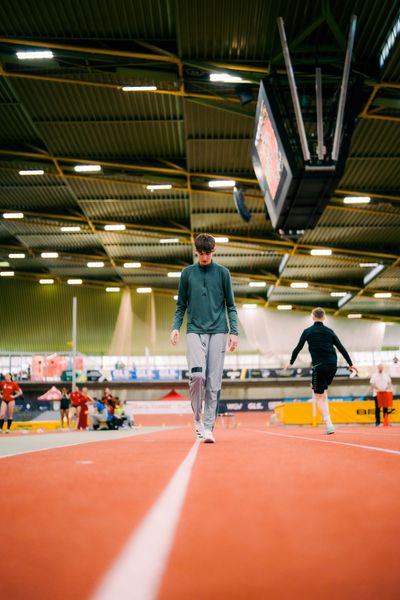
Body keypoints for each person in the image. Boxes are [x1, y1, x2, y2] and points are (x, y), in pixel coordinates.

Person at [170, 233, 238, 443]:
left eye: (208, 254)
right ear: (196, 253)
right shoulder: (187, 274)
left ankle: (208, 427)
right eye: (201, 254)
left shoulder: (223, 273)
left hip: (218, 330)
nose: (205, 258)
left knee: (213, 382)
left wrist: (234, 332)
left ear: (214, 252)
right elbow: (181, 305)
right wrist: (175, 328)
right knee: (197, 376)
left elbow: (231, 306)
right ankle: (197, 418)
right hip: (194, 330)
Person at [286, 307, 358, 434]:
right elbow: (341, 348)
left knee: (317, 395)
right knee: (323, 393)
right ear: (324, 317)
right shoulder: (330, 331)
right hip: (332, 365)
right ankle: (329, 421)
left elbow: (297, 348)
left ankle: (329, 424)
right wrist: (350, 363)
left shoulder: (307, 331)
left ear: (313, 317)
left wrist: (290, 362)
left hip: (319, 366)